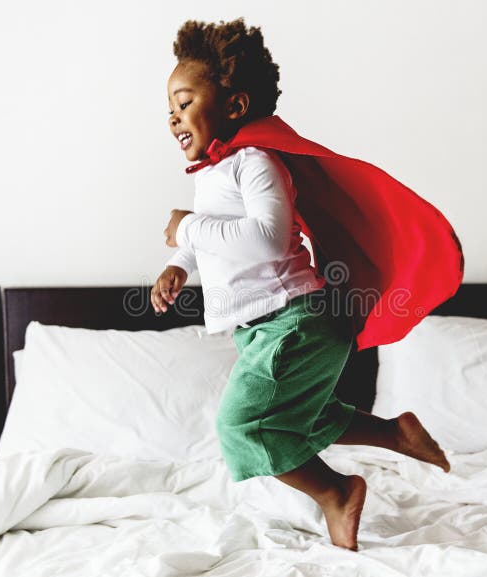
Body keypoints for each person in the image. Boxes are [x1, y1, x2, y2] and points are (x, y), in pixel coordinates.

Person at [152, 18, 452, 551]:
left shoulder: (255, 164)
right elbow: (222, 238)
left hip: (294, 319)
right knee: (295, 418)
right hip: (266, 327)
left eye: (184, 101)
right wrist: (182, 259)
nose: (172, 115)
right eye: (170, 107)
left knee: (242, 428)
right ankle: (392, 433)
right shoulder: (214, 174)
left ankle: (336, 493)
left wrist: (188, 225)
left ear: (235, 106)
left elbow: (266, 239)